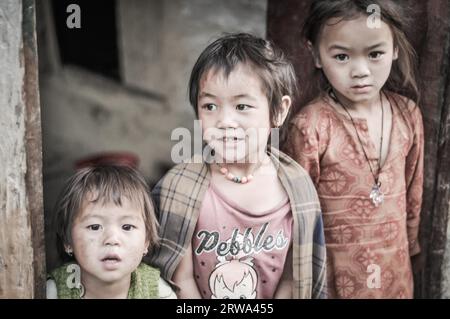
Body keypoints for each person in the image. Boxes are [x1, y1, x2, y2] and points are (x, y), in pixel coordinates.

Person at [150, 33, 327, 299]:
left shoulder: (297, 189)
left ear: (278, 111)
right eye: (210, 106)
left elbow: (294, 277)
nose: (224, 121)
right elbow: (180, 277)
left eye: (242, 106)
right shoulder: (181, 189)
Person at [284, 0, 424, 298]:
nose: (360, 71)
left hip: (396, 272)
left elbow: (414, 191)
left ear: (396, 48)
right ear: (316, 54)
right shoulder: (311, 126)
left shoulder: (408, 114)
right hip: (336, 276)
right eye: (342, 56)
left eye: (375, 54)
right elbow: (296, 214)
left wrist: (411, 244)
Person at [47, 165, 176, 299]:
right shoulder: (55, 292)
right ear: (67, 241)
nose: (112, 239)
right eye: (95, 227)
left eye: (127, 227)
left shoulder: (158, 292)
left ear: (146, 241)